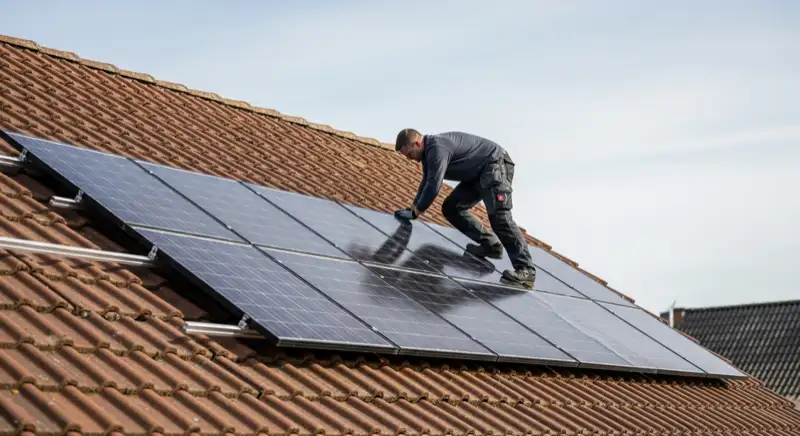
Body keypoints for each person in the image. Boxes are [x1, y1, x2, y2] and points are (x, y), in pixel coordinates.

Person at [393, 128, 537, 288]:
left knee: (500, 217)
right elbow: (426, 182)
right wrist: (412, 208)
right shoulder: (428, 155)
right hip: (476, 175)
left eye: (409, 154)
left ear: (417, 143)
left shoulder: (437, 148)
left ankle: (526, 270)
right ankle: (490, 245)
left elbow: (433, 186)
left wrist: (416, 212)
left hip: (495, 164)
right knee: (451, 208)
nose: (410, 159)